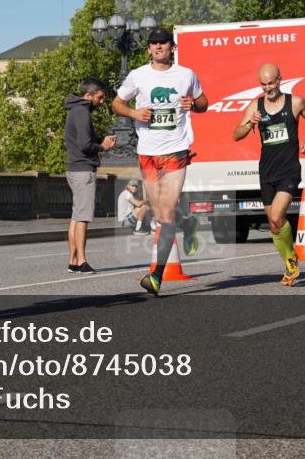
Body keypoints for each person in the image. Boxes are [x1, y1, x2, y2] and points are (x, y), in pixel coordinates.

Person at [112, 27, 207, 296]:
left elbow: (204, 102)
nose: (157, 48)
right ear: (148, 49)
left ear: (171, 47)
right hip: (147, 153)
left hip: (176, 150)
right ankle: (187, 223)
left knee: (165, 213)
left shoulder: (186, 75)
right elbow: (116, 103)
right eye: (153, 44)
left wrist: (193, 105)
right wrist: (133, 112)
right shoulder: (138, 75)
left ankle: (155, 276)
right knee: (159, 214)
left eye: (162, 43)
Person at [233, 63, 305, 285]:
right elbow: (236, 134)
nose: (267, 88)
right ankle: (290, 262)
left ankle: (291, 260)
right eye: (263, 84)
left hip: (289, 169)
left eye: (271, 83)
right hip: (267, 171)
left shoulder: (296, 102)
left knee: (275, 217)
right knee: (274, 225)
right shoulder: (256, 105)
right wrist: (249, 124)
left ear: (280, 80)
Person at [64, 78, 117, 274]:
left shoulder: (74, 110)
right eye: (100, 97)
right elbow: (85, 145)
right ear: (88, 95)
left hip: (74, 168)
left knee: (76, 216)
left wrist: (99, 139)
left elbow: (82, 140)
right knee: (83, 217)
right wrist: (103, 146)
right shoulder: (82, 112)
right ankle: (82, 261)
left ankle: (73, 260)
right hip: (83, 169)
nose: (102, 101)